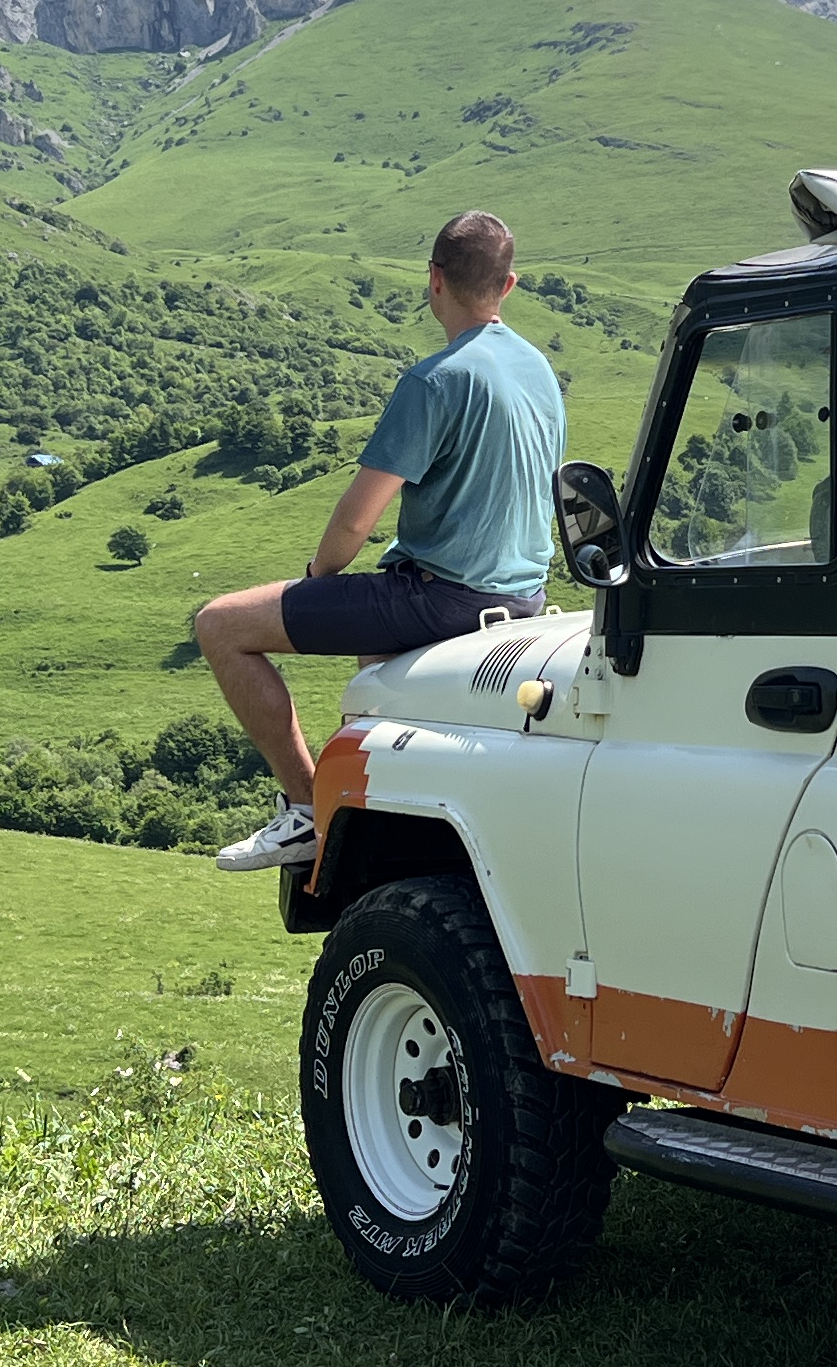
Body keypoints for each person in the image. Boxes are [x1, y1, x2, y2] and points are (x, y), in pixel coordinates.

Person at [196, 210, 564, 872]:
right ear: (508, 285)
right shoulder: (538, 370)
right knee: (373, 665)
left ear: (434, 280)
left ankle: (307, 810)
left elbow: (355, 521)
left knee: (221, 625)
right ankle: (375, 817)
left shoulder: (435, 380)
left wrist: (318, 577)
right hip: (524, 596)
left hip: (441, 597)